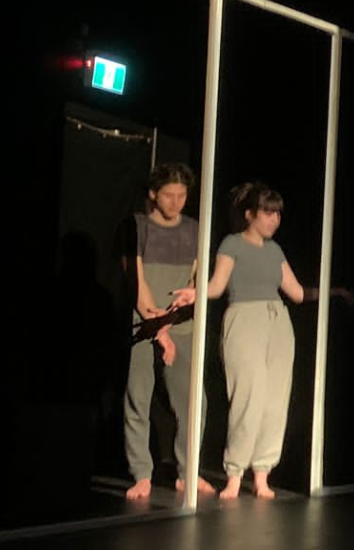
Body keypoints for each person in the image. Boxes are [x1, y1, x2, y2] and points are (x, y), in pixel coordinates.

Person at [194, 181, 351, 499]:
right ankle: (235, 474)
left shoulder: (275, 250)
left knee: (275, 401)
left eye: (278, 214)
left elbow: (295, 293)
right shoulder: (232, 244)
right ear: (250, 214)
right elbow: (216, 287)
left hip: (278, 322)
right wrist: (192, 294)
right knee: (247, 397)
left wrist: (334, 292)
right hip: (244, 319)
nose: (274, 220)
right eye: (268, 213)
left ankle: (262, 474)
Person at [121, 163, 213, 499]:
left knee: (193, 403)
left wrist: (171, 322)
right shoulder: (137, 226)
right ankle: (141, 472)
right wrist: (156, 326)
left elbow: (195, 279)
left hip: (180, 323)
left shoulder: (194, 229)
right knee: (138, 397)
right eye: (169, 195)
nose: (176, 202)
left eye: (182, 195)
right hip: (143, 323)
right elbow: (136, 279)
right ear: (152, 195)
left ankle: (188, 472)